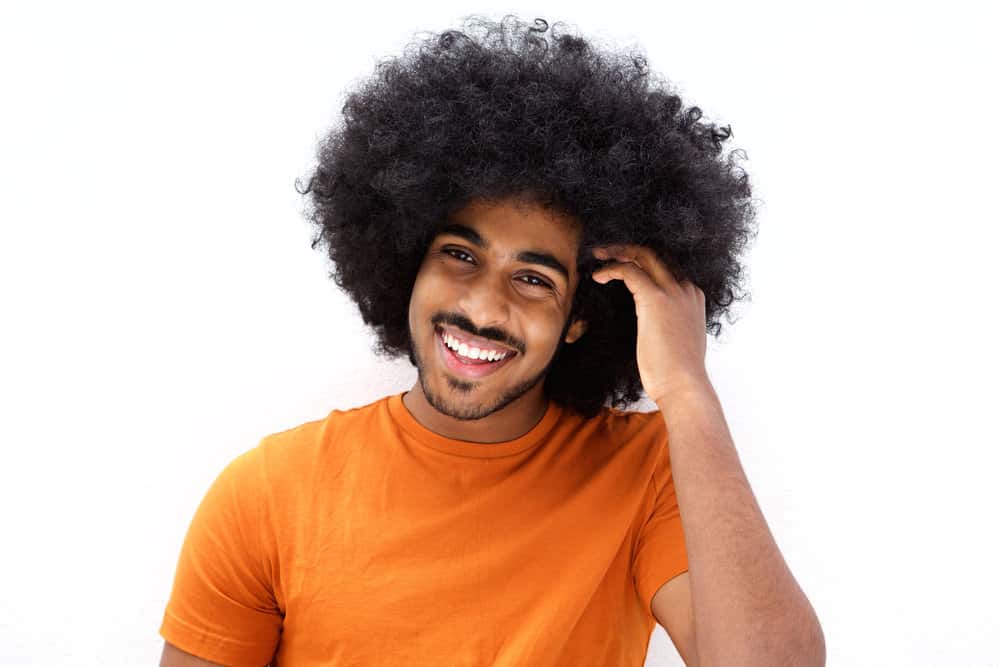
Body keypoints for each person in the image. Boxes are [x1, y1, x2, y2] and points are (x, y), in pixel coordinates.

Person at [159, 15, 824, 667]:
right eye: (459, 254)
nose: (482, 305)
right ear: (405, 261)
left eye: (533, 278)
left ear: (581, 316)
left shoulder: (645, 473)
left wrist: (686, 386)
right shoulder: (267, 494)